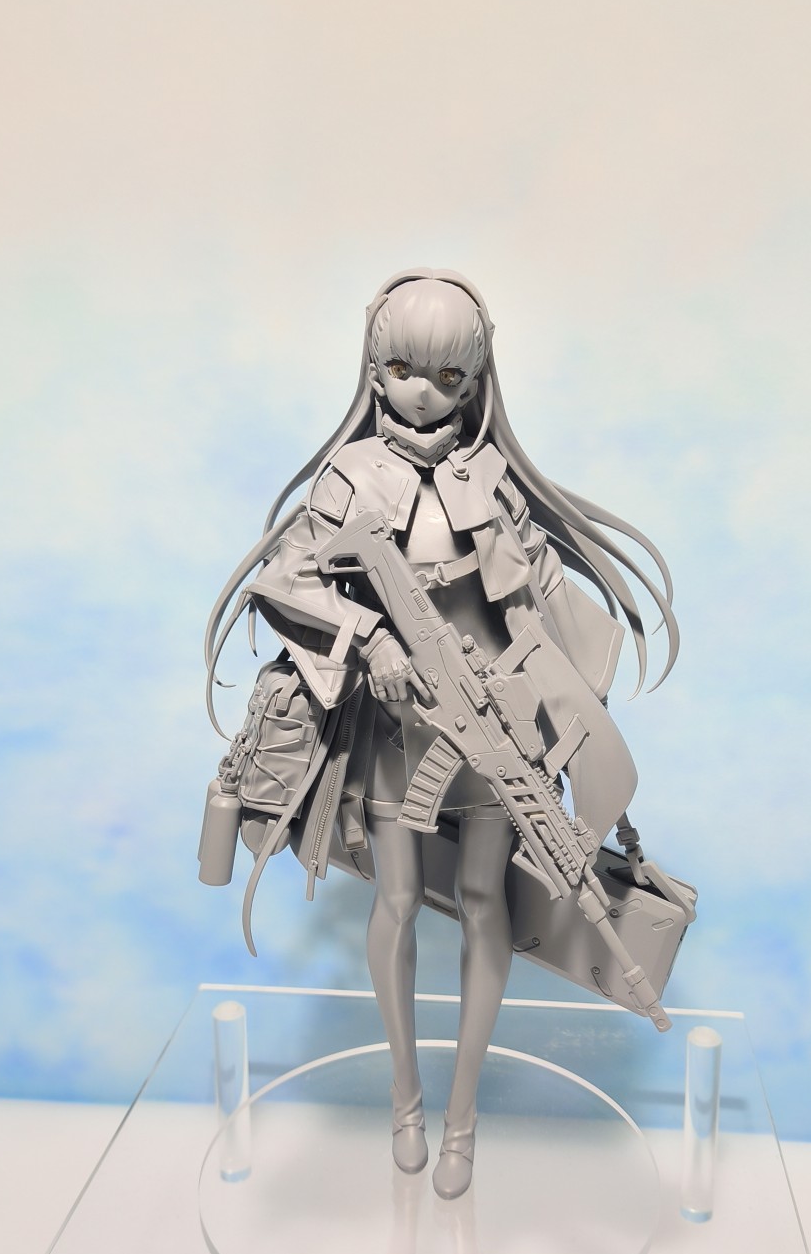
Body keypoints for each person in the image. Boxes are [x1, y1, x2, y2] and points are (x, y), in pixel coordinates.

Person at [205, 269, 677, 1198]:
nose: (423, 394)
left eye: (448, 376)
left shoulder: (491, 483)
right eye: (404, 370)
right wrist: (369, 637)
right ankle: (405, 1098)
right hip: (399, 730)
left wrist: (565, 721)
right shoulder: (351, 479)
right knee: (395, 904)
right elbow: (285, 580)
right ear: (374, 368)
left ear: (476, 378)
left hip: (492, 726)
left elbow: (547, 614)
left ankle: (463, 1117)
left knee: (485, 901)